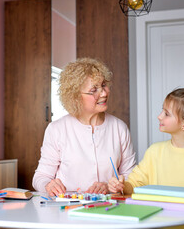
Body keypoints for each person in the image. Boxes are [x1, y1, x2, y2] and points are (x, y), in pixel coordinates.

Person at [108, 80, 184, 229]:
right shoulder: (155, 151)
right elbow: (135, 184)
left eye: (166, 113)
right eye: (162, 111)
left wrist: (179, 197)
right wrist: (122, 185)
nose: (159, 116)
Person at [32, 58, 136, 196]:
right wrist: (48, 185)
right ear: (75, 97)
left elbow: (131, 177)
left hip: (108, 208)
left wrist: (112, 186)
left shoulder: (119, 128)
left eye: (104, 85)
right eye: (94, 90)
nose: (104, 93)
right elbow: (40, 177)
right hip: (67, 210)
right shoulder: (57, 129)